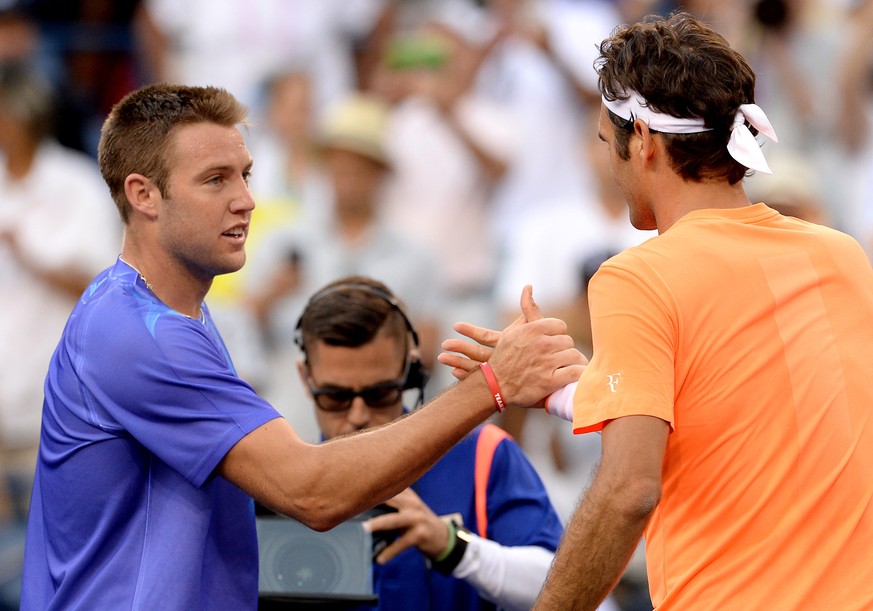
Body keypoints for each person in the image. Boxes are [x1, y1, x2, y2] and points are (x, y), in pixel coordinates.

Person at [19, 83, 586, 610]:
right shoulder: (141, 332)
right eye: (215, 180)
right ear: (143, 195)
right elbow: (311, 493)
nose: (246, 200)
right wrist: (494, 384)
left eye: (245, 175)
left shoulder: (161, 316)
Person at [441, 12, 873, 610]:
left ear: (642, 140)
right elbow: (744, 408)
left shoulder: (636, 277)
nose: (610, 163)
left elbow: (628, 490)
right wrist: (574, 394)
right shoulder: (841, 255)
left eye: (606, 142)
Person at [295, 275, 569, 611]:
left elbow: (565, 586)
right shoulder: (282, 481)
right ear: (305, 378)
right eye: (335, 397)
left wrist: (451, 545)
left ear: (411, 372)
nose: (358, 415)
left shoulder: (481, 454)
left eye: (380, 393)